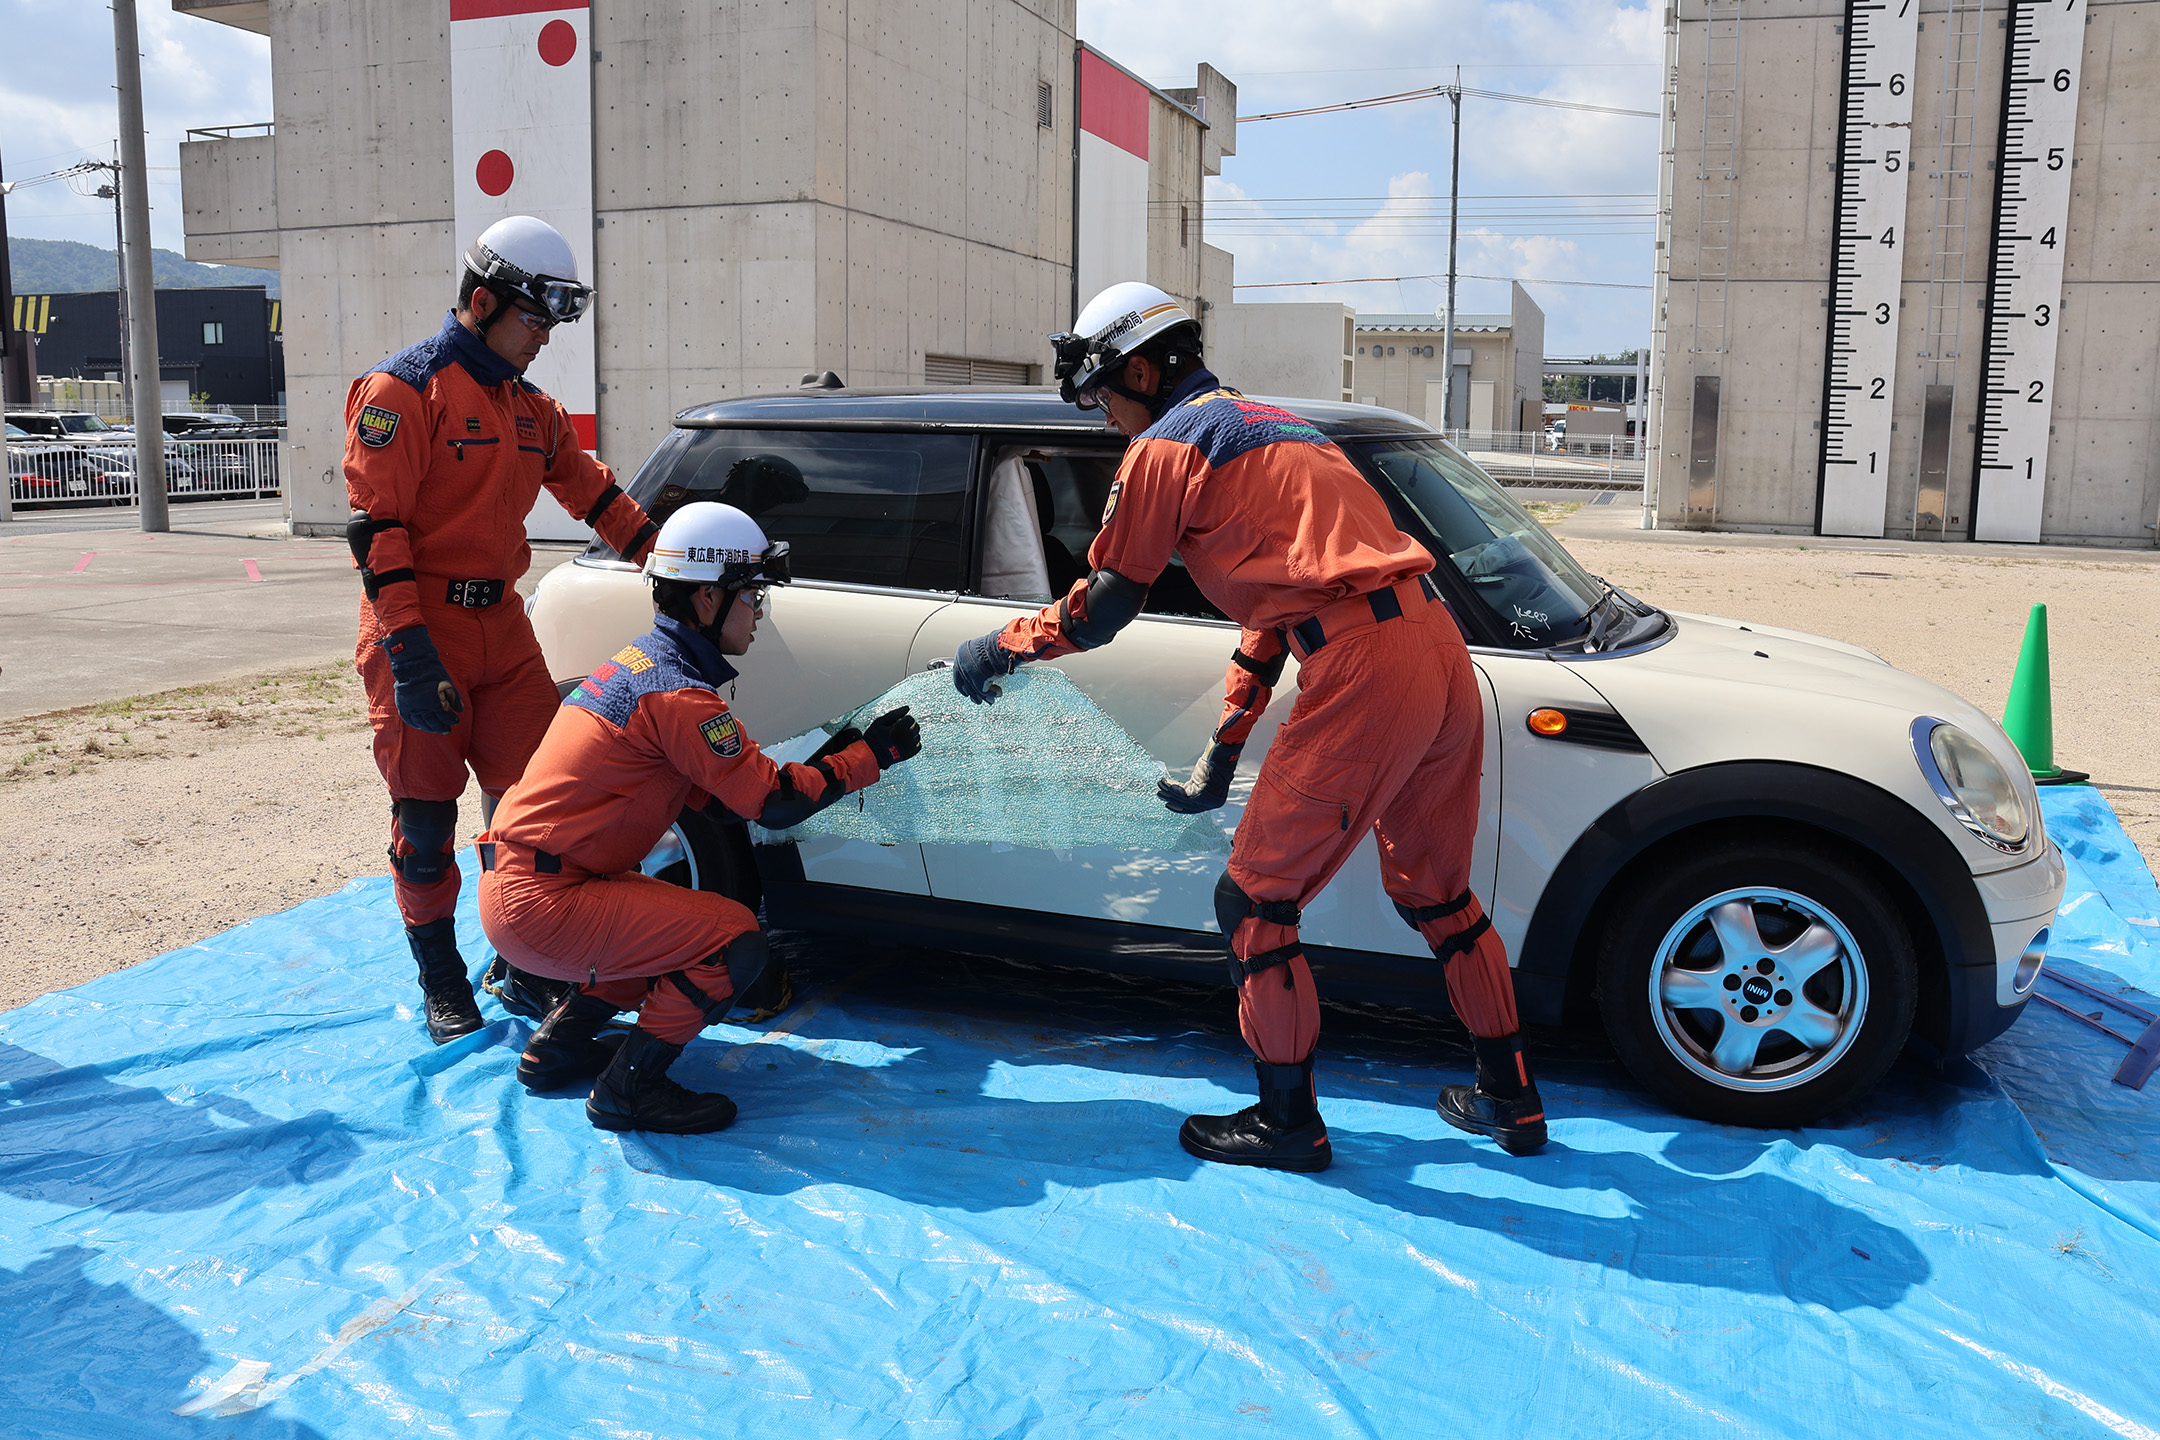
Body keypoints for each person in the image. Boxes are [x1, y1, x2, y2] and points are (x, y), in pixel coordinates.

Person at [949, 281, 1549, 1171]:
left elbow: (1107, 605)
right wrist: (1223, 755)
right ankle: (1512, 1101)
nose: (1109, 421)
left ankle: (1287, 1124)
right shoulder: (1284, 431)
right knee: (1439, 896)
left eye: (1106, 398)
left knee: (1254, 904)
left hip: (1364, 668)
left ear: (1145, 370)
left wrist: (1001, 645)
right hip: (1436, 646)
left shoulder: (1165, 447)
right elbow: (1277, 613)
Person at [475, 502, 922, 1134]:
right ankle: (629, 1091)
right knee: (733, 938)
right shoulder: (679, 695)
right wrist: (869, 757)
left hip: (524, 889)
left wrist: (823, 763)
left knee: (663, 931)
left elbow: (718, 794)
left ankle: (557, 1050)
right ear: (709, 599)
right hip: (545, 903)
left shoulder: (641, 667)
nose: (760, 612)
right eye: (753, 595)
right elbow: (772, 803)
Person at [343, 215, 665, 1045]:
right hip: (419, 628)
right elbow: (377, 534)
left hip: (504, 630)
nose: (543, 341)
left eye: (553, 326)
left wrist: (675, 567)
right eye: (534, 322)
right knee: (424, 824)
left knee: (539, 811)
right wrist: (410, 654)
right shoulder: (402, 391)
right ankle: (441, 980)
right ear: (482, 302)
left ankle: (521, 960)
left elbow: (596, 495)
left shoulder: (532, 409)